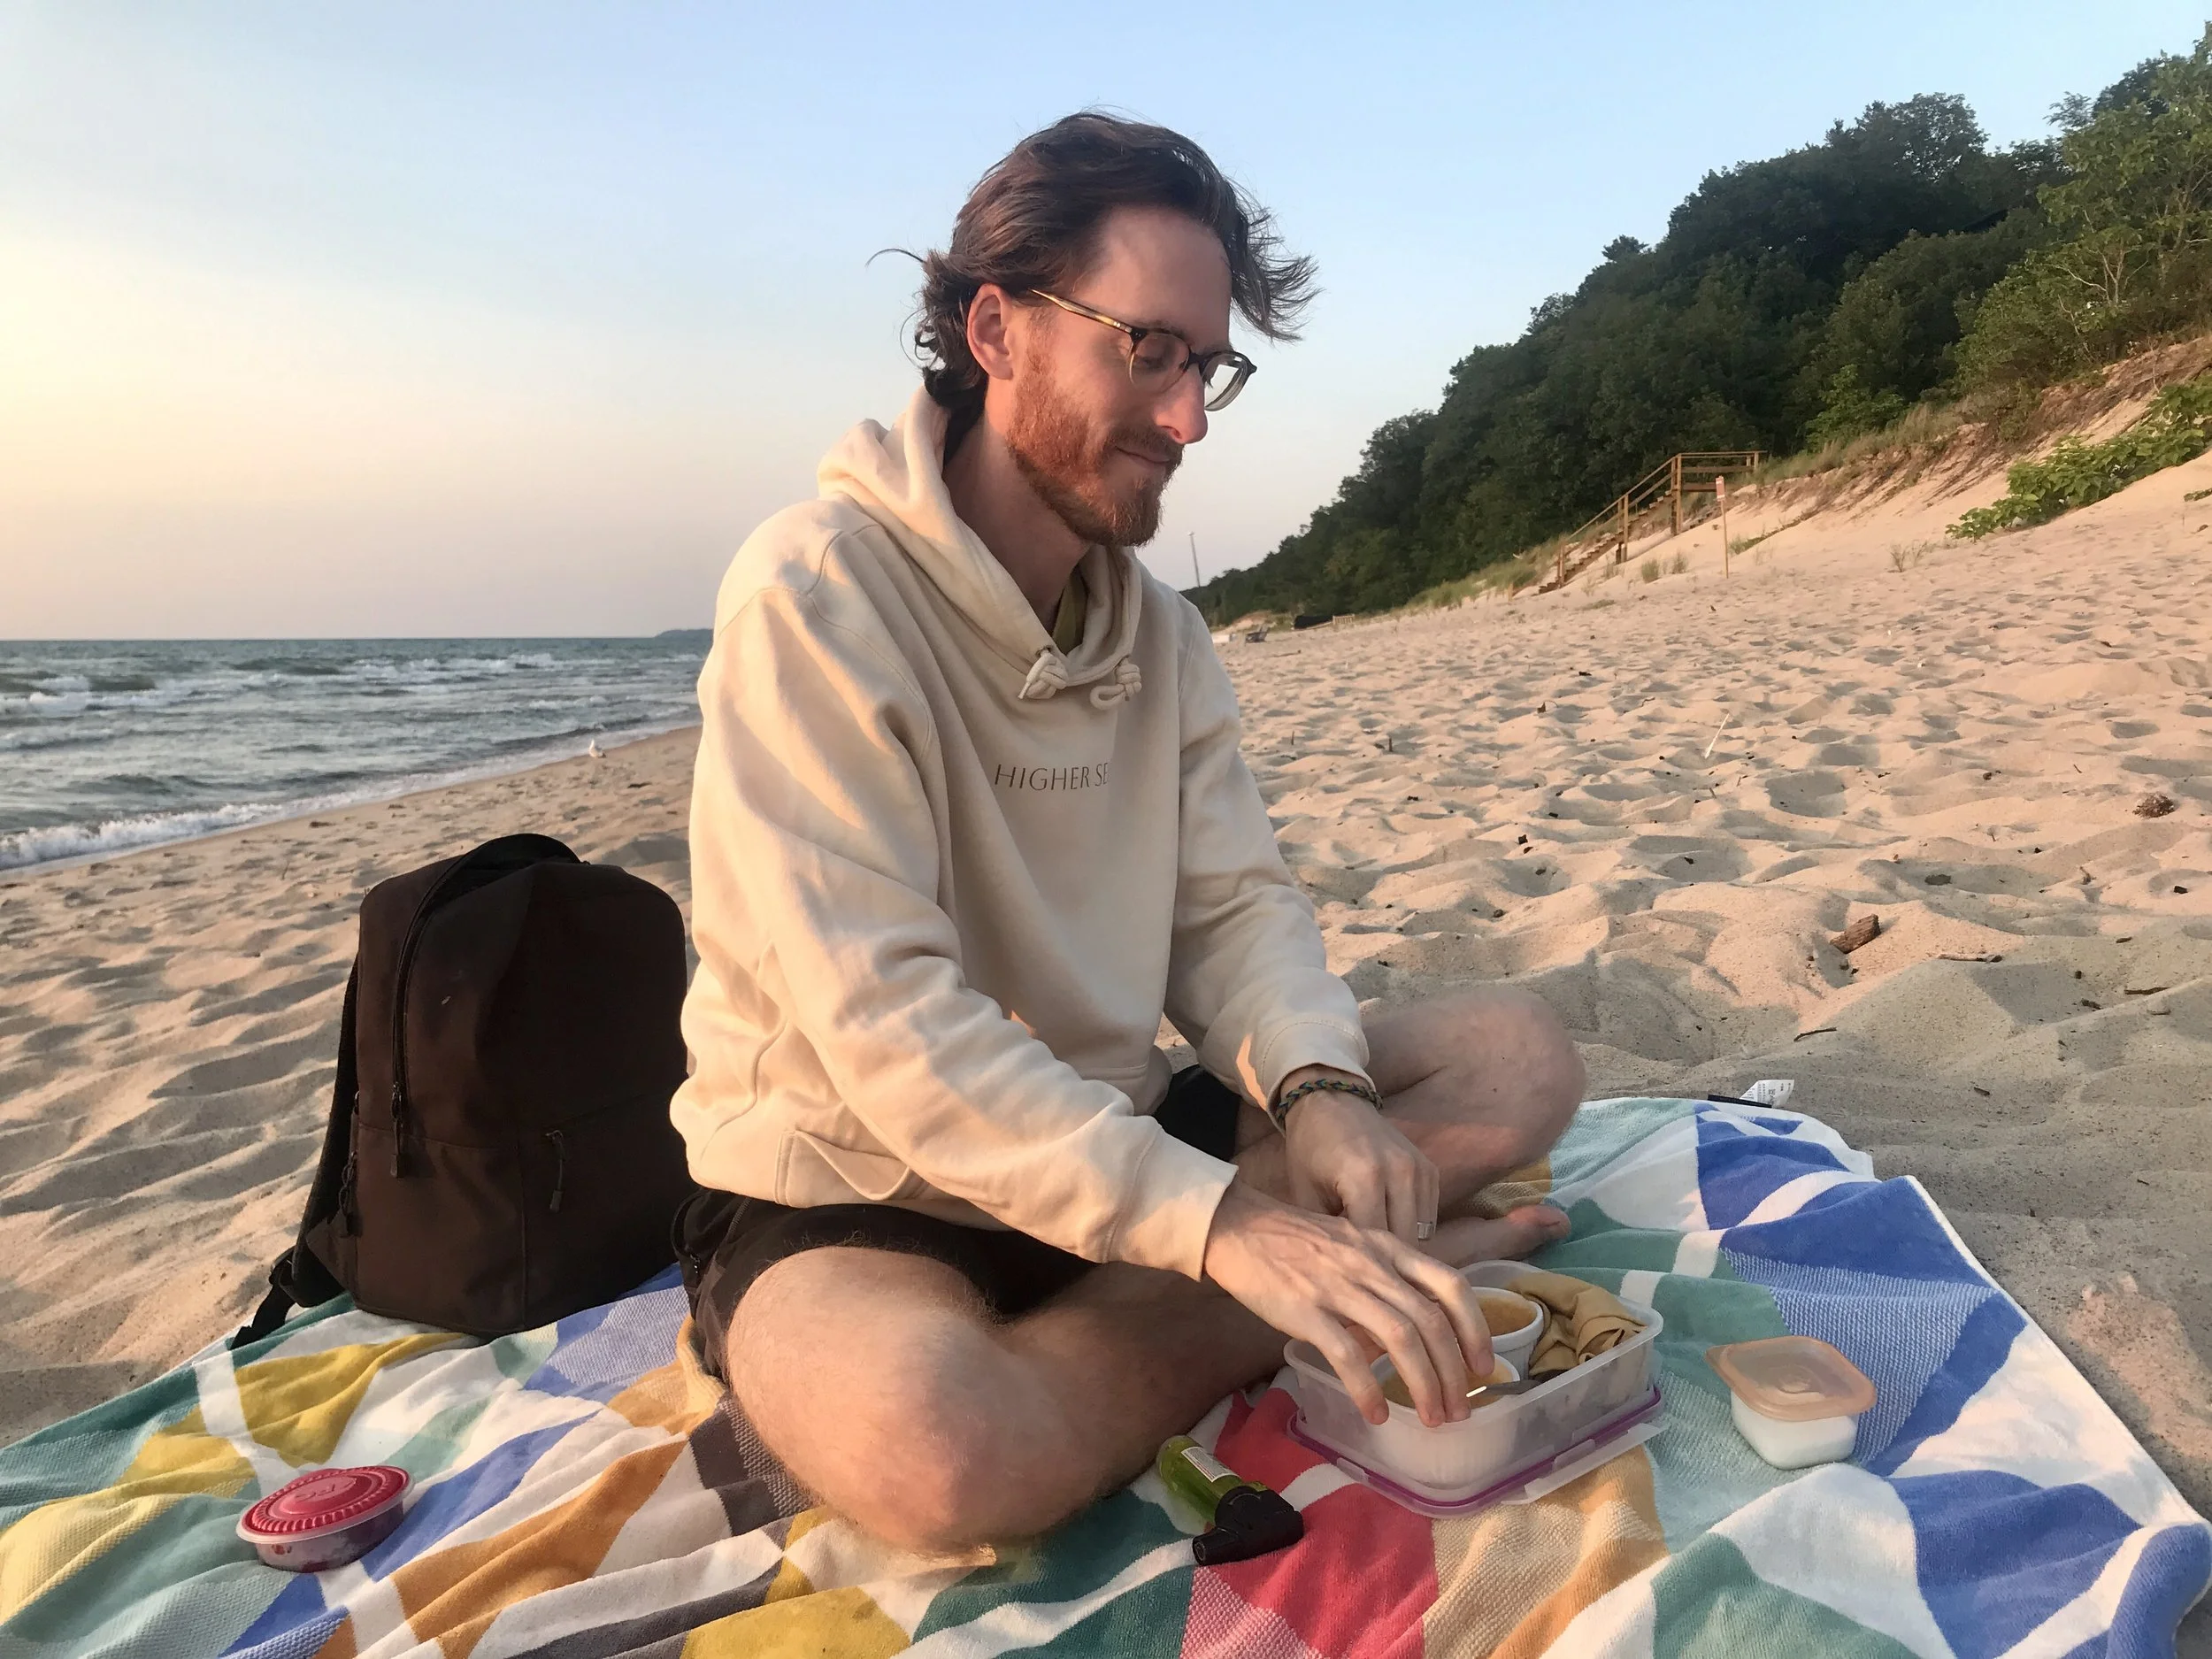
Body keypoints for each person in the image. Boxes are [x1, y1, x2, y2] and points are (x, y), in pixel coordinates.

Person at [672, 112, 1585, 1554]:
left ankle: (1217, 1297)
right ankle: (1269, 1304)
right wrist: (1234, 1233)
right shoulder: (817, 594)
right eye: (1148, 351)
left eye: (1206, 365)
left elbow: (1232, 912)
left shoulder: (1161, 635)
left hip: (1118, 1134)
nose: (1189, 418)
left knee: (1519, 1056)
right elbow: (890, 1028)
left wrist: (1321, 1089)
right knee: (941, 1452)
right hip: (856, 1184)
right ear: (997, 328)